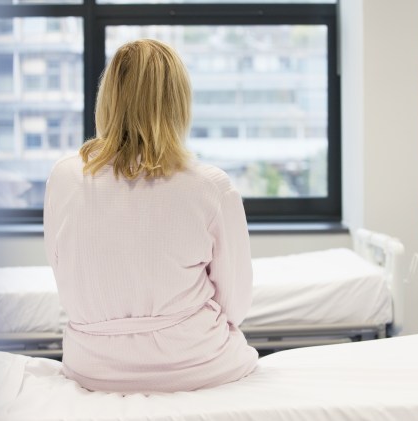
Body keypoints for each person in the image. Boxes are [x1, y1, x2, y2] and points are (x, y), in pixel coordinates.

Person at [44, 39, 258, 394]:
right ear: (178, 104)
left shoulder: (64, 178)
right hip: (198, 364)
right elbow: (235, 301)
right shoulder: (210, 187)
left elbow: (65, 271)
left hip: (92, 367)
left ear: (108, 99)